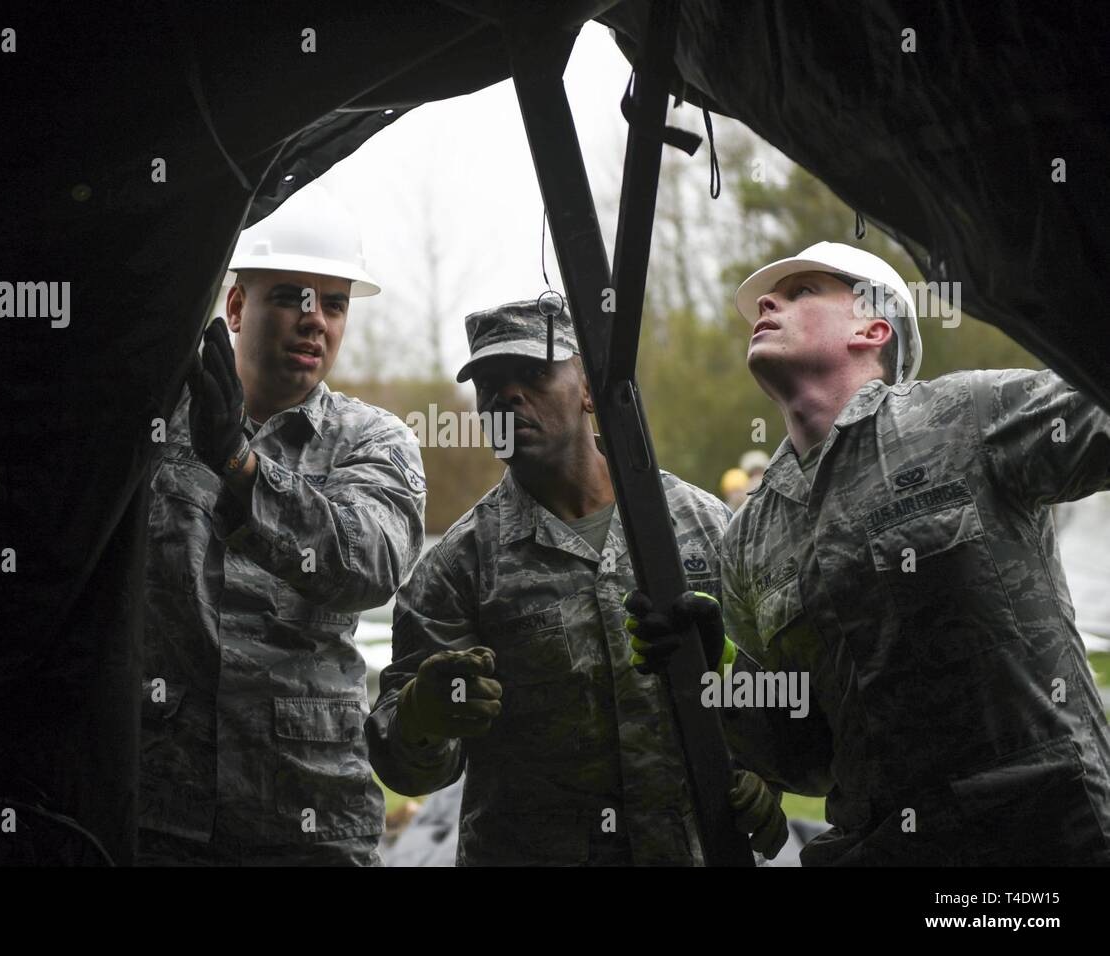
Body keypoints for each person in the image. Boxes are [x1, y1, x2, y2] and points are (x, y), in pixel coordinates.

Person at [631, 241, 1110, 865]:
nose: (768, 303)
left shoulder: (969, 417)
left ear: (873, 327)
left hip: (1041, 839)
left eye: (803, 292)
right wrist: (717, 669)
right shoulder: (748, 534)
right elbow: (806, 758)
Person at [366, 300, 786, 866]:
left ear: (587, 389)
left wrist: (764, 779)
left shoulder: (701, 525)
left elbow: (768, 683)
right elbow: (405, 767)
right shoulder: (458, 566)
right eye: (490, 384)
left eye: (535, 373)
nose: (508, 396)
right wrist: (422, 714)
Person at [139, 183, 427, 866]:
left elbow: (372, 562)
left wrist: (241, 470)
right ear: (236, 306)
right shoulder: (154, 424)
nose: (314, 320)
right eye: (292, 296)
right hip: (160, 815)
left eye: (333, 304)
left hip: (311, 817)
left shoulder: (372, 439)